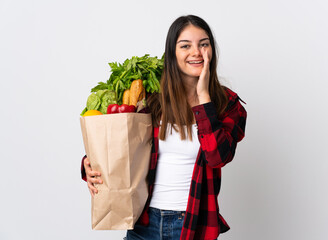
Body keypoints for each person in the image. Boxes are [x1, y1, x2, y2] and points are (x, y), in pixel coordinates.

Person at [81, 15, 247, 240]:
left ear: (211, 51)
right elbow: (120, 145)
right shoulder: (152, 99)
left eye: (204, 44)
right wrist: (87, 166)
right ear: (172, 53)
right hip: (143, 224)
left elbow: (217, 157)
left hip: (191, 226)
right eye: (185, 46)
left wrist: (204, 98)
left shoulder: (228, 104)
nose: (196, 52)